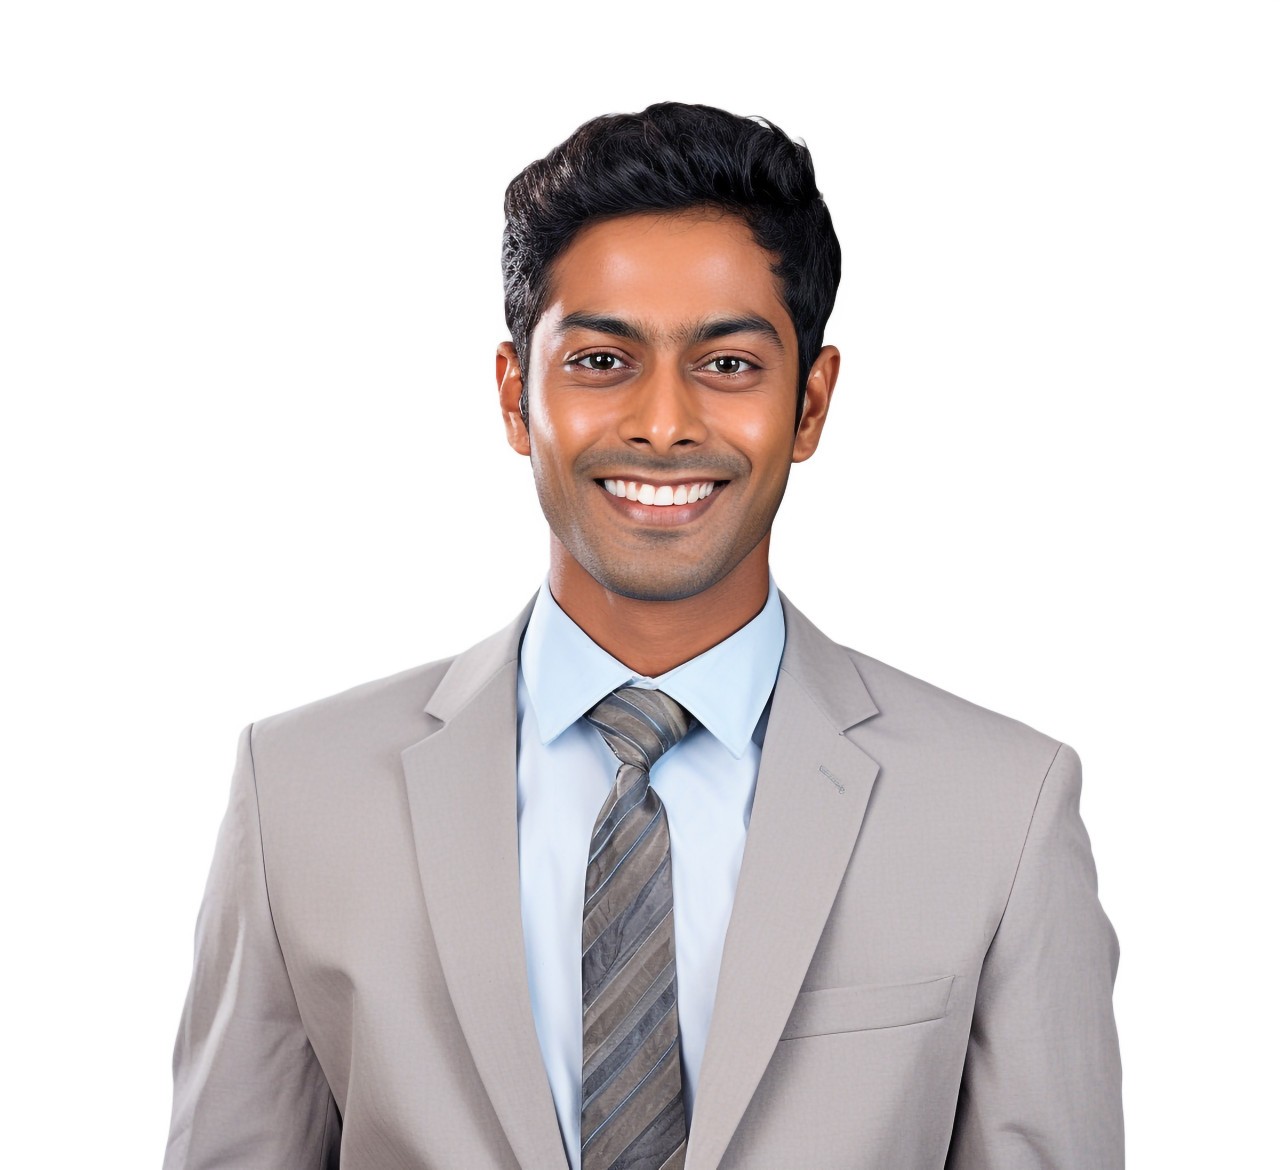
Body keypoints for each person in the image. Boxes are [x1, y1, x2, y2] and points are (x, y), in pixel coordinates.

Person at [165, 102, 1123, 1169]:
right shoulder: (300, 792)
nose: (662, 424)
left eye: (725, 366)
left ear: (808, 405)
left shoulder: (1000, 808)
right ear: (513, 397)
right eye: (599, 362)